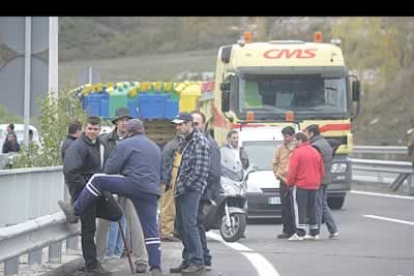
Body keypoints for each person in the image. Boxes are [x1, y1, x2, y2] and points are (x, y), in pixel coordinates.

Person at [59, 119, 163, 276]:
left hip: (132, 184)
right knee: (151, 230)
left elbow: (109, 169)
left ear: (128, 132)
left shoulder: (124, 144)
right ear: (142, 131)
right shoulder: (155, 147)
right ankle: (156, 267)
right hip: (152, 191)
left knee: (97, 179)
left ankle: (76, 210)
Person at [95, 107, 149, 273]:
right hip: (110, 185)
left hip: (129, 185)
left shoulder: (135, 139)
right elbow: (102, 163)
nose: (124, 123)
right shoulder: (104, 140)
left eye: (127, 120)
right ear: (116, 122)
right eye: (121, 120)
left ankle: (142, 260)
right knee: (103, 223)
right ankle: (97, 259)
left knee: (135, 222)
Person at [60, 116, 111, 275]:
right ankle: (91, 264)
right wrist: (84, 191)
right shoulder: (77, 147)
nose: (92, 132)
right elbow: (70, 172)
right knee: (89, 228)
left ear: (100, 130)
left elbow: (104, 167)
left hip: (98, 189)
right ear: (84, 129)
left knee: (114, 214)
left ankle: (74, 211)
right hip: (84, 191)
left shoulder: (101, 145)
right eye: (90, 129)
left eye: (95, 129)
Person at [168, 112, 210, 275]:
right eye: (177, 125)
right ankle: (188, 260)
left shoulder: (199, 142)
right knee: (182, 227)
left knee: (190, 225)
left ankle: (197, 262)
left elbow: (199, 171)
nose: (178, 127)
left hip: (191, 190)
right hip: (181, 189)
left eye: (180, 124)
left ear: (188, 124)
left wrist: (183, 186)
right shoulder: (185, 141)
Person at [191, 111, 221, 271]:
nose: (194, 126)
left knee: (196, 224)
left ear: (204, 125)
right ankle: (197, 257)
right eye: (192, 123)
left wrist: (205, 191)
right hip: (196, 191)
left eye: (197, 123)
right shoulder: (194, 141)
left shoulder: (210, 144)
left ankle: (204, 257)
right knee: (193, 224)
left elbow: (214, 172)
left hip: (201, 192)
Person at [286, 132, 324, 241]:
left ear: (299, 140)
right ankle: (314, 232)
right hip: (314, 185)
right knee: (312, 208)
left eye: (295, 141)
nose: (294, 143)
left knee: (299, 209)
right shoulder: (315, 152)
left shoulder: (297, 153)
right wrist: (317, 181)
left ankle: (299, 233)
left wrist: (290, 183)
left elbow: (292, 171)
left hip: (301, 185)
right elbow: (321, 170)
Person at [305, 124, 339, 239]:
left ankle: (315, 232)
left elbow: (314, 164)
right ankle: (333, 229)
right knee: (323, 204)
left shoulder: (315, 146)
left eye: (306, 133)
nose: (306, 136)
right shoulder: (325, 143)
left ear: (311, 133)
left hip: (318, 179)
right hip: (326, 178)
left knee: (317, 205)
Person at [273, 126, 296, 239]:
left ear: (292, 136)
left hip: (295, 181)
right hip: (283, 180)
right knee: (285, 207)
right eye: (284, 136)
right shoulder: (280, 148)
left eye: (287, 136)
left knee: (294, 206)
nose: (285, 139)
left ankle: (295, 230)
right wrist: (277, 174)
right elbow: (275, 162)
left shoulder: (297, 148)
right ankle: (286, 230)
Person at [159, 133, 183, 242]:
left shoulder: (172, 145)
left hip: (170, 178)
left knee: (169, 206)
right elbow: (166, 164)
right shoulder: (174, 146)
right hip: (170, 179)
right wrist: (167, 180)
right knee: (168, 206)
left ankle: (169, 231)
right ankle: (166, 232)